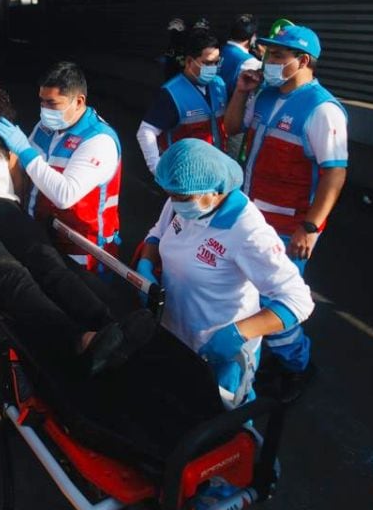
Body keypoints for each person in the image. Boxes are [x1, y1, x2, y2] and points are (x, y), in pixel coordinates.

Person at [0, 56, 151, 375]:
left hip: (3, 208)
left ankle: (110, 327)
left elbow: (20, 185)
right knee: (11, 275)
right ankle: (78, 340)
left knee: (48, 262)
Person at [134, 139, 314, 409]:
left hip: (221, 354)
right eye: (171, 195)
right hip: (175, 333)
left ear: (215, 191)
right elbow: (157, 233)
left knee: (222, 420)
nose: (173, 203)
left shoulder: (248, 231)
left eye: (181, 198)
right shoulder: (183, 199)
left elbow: (298, 300)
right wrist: (146, 265)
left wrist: (238, 333)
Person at [224, 22, 346, 381]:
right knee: (247, 291)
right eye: (268, 54)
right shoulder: (264, 95)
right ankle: (268, 358)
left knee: (277, 301)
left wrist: (310, 227)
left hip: (288, 227)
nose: (268, 62)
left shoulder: (322, 109)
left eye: (277, 55)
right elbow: (232, 128)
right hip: (251, 216)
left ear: (303, 60)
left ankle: (295, 365)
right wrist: (240, 92)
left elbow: (334, 173)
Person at [0, 61, 124, 272]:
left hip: (81, 250)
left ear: (78, 101)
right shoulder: (46, 127)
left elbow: (64, 195)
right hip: (42, 237)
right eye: (42, 101)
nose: (45, 110)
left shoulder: (99, 141)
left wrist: (24, 151)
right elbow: (23, 168)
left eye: (52, 103)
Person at [136, 28, 229, 178]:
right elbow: (146, 131)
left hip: (215, 170)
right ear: (189, 61)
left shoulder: (219, 85)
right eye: (207, 63)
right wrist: (157, 169)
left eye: (216, 63)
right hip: (185, 175)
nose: (212, 68)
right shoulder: (172, 93)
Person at [219, 13, 262, 159]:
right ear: (253, 37)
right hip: (233, 122)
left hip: (214, 118)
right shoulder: (250, 63)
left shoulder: (218, 51)